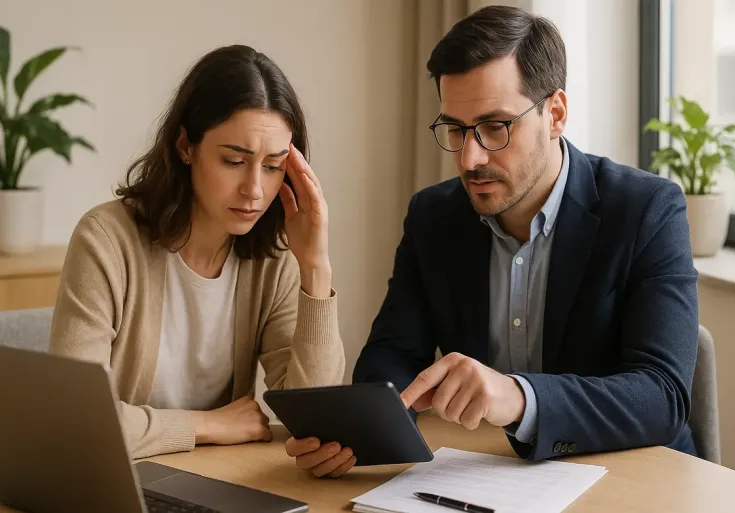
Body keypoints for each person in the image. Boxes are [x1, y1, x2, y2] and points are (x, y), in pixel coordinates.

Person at [286, 5, 698, 476]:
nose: (470, 158)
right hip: (489, 477)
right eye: (456, 129)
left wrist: (519, 397)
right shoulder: (433, 216)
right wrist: (367, 430)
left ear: (555, 114)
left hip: (634, 476)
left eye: (495, 127)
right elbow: (394, 354)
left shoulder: (647, 209)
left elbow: (662, 396)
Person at [49, 45, 346, 460]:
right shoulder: (106, 240)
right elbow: (74, 418)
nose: (254, 190)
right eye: (234, 161)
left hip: (217, 477)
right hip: (119, 477)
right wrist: (207, 425)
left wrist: (315, 267)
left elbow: (315, 420)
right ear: (185, 146)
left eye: (273, 166)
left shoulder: (274, 259)